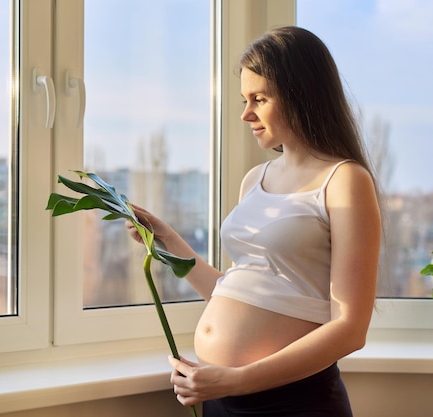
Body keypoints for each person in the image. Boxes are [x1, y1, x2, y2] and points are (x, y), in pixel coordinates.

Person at [126, 26, 381, 416]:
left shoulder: (344, 180)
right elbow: (239, 292)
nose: (246, 114)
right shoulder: (255, 180)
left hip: (293, 401)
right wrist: (168, 241)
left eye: (259, 99)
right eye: (245, 99)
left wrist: (237, 379)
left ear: (302, 95)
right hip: (220, 397)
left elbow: (350, 329)